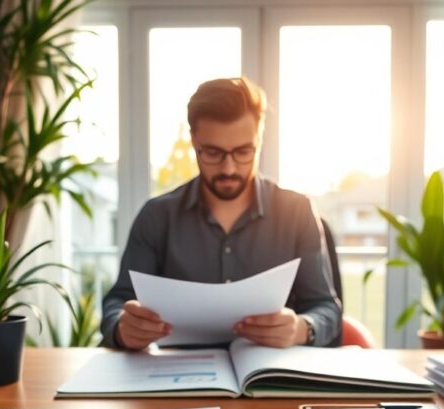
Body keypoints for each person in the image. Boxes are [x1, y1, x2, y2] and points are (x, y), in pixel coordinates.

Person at [101, 77, 342, 350]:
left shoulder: (297, 211)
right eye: (213, 153)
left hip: (271, 380)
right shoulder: (156, 216)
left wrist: (302, 328)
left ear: (259, 139)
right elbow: (117, 301)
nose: (229, 168)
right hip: (176, 380)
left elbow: (326, 309)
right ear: (194, 141)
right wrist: (123, 327)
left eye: (243, 152)